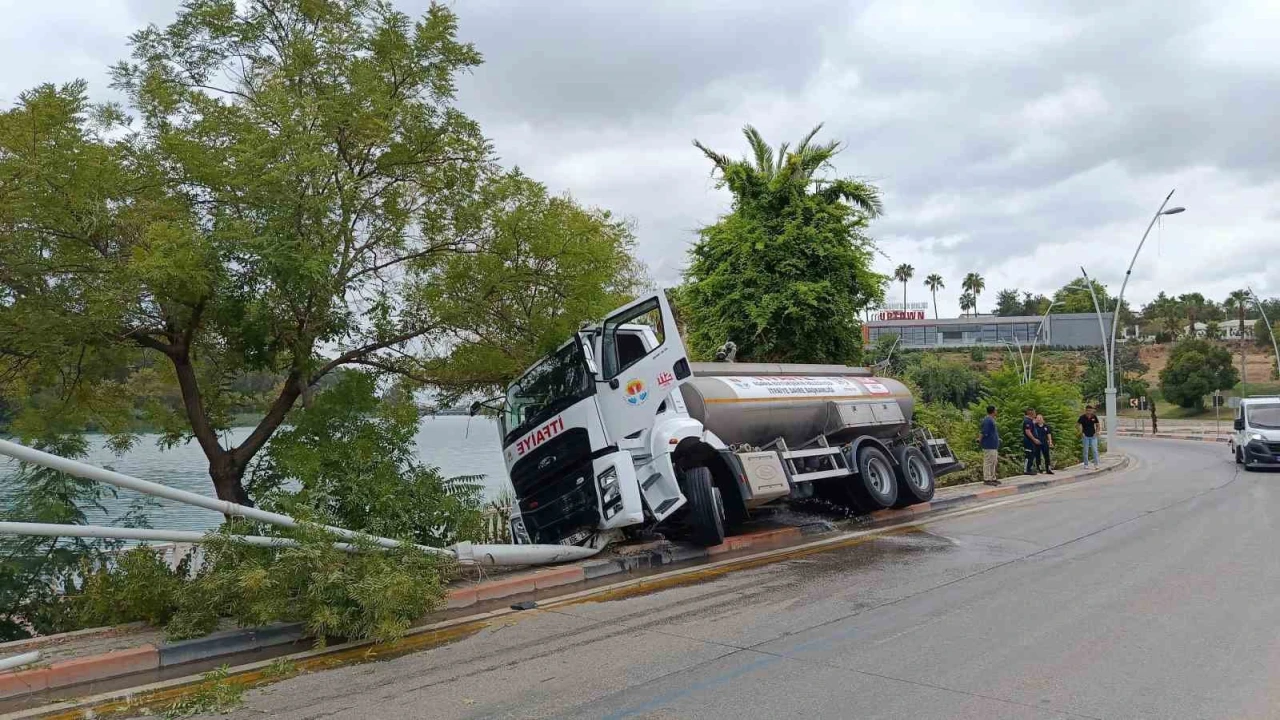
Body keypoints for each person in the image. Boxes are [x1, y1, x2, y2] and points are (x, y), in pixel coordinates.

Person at [978, 405, 1001, 486]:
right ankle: (987, 478)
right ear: (993, 411)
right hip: (988, 445)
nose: (997, 411)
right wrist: (979, 440)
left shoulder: (991, 420)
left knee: (993, 462)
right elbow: (984, 432)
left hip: (993, 445)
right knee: (988, 462)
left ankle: (992, 477)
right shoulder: (988, 420)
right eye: (996, 410)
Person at [1022, 407, 1040, 475]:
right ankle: (1026, 469)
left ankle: (1029, 468)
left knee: (1032, 455)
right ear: (1031, 413)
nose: (1035, 414)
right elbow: (1027, 431)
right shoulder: (1027, 421)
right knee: (1028, 455)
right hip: (1028, 441)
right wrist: (1034, 439)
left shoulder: (1030, 420)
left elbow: (1033, 422)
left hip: (1031, 441)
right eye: (1034, 412)